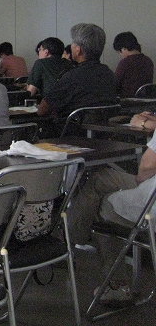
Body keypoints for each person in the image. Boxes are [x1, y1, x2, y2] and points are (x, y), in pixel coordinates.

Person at [67, 111, 156, 304]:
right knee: (100, 179)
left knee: (103, 205)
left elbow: (148, 167)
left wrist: (141, 180)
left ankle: (117, 285)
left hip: (151, 199)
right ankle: (71, 238)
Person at [37, 24, 117, 117]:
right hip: (102, 129)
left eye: (73, 43)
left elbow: (42, 110)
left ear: (78, 50)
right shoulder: (109, 74)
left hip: (72, 129)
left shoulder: (72, 76)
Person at [112, 32, 154, 98]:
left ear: (124, 49)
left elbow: (114, 84)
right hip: (145, 103)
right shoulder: (148, 61)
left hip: (128, 103)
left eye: (119, 52)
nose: (121, 55)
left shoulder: (125, 63)